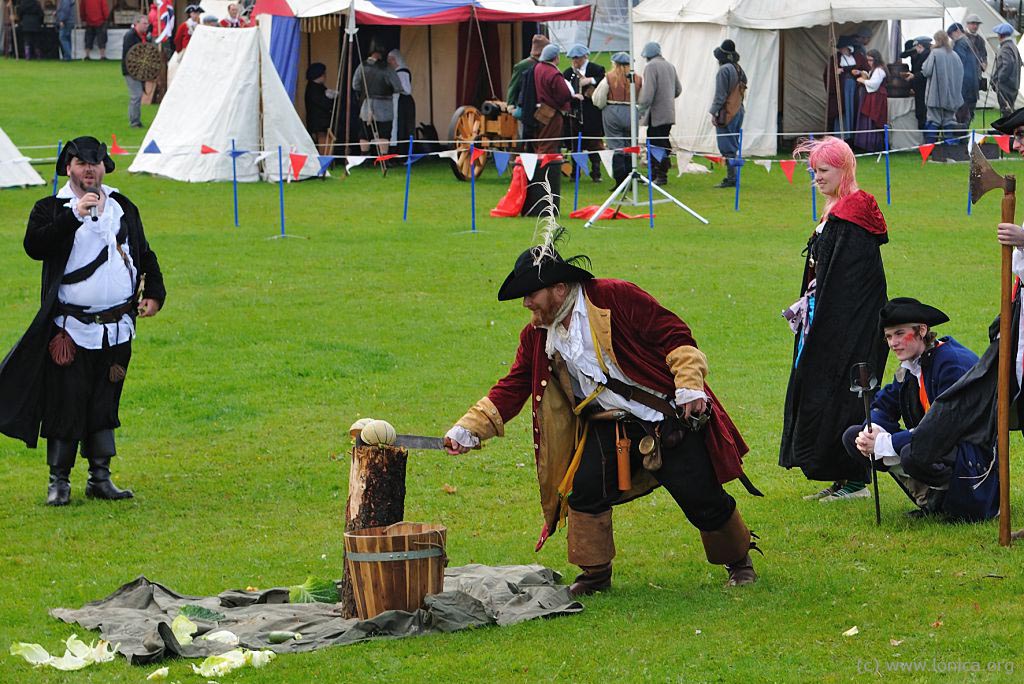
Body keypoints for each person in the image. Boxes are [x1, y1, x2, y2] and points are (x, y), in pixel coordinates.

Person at [442, 237, 761, 594]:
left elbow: (674, 334)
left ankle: (739, 561)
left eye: (533, 293)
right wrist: (469, 428)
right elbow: (514, 385)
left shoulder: (614, 297)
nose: (526, 302)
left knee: (701, 496)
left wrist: (688, 384)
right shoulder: (537, 335)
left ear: (560, 288)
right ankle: (595, 575)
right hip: (607, 425)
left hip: (662, 417)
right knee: (584, 492)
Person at [0, 136, 166, 506]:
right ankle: (59, 481)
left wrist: (154, 292)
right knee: (66, 402)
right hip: (70, 331)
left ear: (105, 167)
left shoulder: (123, 207)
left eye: (96, 163)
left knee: (104, 401)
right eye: (81, 163)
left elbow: (144, 252)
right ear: (69, 168)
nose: (90, 169)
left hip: (118, 328)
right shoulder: (50, 208)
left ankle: (100, 478)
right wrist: (73, 215)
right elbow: (35, 246)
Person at [779, 136, 889, 502]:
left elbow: (850, 284)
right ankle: (840, 477)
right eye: (814, 172)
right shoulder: (839, 209)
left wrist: (827, 324)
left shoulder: (853, 216)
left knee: (844, 395)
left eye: (823, 171)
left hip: (849, 328)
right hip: (827, 320)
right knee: (821, 392)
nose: (817, 178)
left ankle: (854, 479)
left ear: (843, 169)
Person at [841, 298, 998, 522]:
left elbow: (944, 428)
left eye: (899, 333)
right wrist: (872, 430)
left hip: (973, 456)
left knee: (913, 453)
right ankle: (931, 501)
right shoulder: (913, 363)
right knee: (855, 437)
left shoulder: (951, 363)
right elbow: (883, 405)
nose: (893, 342)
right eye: (888, 336)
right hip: (936, 442)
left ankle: (960, 505)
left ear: (922, 330)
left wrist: (886, 443)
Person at [592, 51, 641, 188]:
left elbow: (598, 98)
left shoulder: (609, 77)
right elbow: (643, 98)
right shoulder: (637, 78)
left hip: (613, 111)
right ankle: (630, 179)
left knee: (616, 147)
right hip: (631, 111)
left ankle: (620, 181)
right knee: (630, 146)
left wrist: (604, 107)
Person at [637, 41, 681, 185]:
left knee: (656, 145)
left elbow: (648, 93)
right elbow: (678, 90)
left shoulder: (650, 67)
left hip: (656, 114)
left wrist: (641, 108)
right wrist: (666, 99)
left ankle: (660, 176)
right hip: (668, 112)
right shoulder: (670, 66)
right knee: (660, 143)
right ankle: (655, 174)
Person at [563, 44, 606, 183]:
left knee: (595, 143)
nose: (575, 61)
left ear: (584, 57)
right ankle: (575, 173)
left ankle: (596, 173)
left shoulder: (596, 69)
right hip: (574, 114)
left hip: (591, 114)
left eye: (577, 58)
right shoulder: (568, 72)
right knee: (576, 145)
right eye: (573, 59)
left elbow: (604, 82)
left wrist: (591, 80)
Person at [352, 45, 403, 156]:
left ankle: (364, 158)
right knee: (383, 133)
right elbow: (398, 87)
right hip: (384, 106)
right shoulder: (387, 68)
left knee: (365, 133)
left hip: (367, 104)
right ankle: (383, 159)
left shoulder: (362, 66)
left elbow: (355, 85)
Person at [710, 39, 746, 188]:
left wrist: (714, 112)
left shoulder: (724, 70)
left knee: (727, 146)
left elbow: (720, 95)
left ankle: (732, 178)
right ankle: (733, 177)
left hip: (727, 112)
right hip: (738, 109)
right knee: (733, 145)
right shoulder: (738, 68)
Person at [532, 44, 577, 156]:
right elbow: (564, 93)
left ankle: (541, 170)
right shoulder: (553, 73)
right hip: (552, 112)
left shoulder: (538, 67)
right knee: (548, 146)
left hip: (541, 110)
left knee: (542, 143)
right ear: (556, 57)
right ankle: (545, 171)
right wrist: (570, 99)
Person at [920, 31, 963, 144]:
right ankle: (951, 147)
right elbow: (961, 74)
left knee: (933, 121)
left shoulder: (935, 53)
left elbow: (926, 71)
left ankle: (930, 148)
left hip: (935, 96)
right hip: (952, 97)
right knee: (949, 121)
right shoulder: (955, 55)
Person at [507, 34, 549, 152]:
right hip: (525, 104)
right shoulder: (523, 65)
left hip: (540, 106)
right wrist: (510, 104)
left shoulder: (545, 65)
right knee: (528, 136)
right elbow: (513, 86)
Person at [853, 49, 887, 152]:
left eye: (871, 60)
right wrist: (862, 73)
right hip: (873, 96)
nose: (869, 62)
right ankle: (866, 144)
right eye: (867, 60)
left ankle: (873, 145)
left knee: (874, 119)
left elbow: (874, 84)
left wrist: (862, 80)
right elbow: (872, 78)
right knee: (868, 118)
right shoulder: (875, 69)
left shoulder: (879, 70)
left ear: (876, 59)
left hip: (877, 97)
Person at [825, 37, 859, 139]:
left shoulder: (857, 58)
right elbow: (827, 74)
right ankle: (841, 136)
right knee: (842, 111)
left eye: (843, 48)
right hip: (841, 89)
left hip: (854, 89)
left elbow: (865, 71)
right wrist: (835, 73)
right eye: (840, 48)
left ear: (849, 48)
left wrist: (859, 72)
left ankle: (853, 138)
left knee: (853, 110)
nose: (841, 50)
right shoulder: (835, 59)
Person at [949, 23, 980, 131]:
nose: (951, 38)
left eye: (951, 35)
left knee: (961, 114)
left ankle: (961, 139)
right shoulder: (969, 41)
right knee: (968, 114)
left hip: (964, 85)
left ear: (957, 31)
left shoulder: (960, 44)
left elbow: (959, 64)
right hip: (973, 83)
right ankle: (964, 135)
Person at [121, 15, 150, 129]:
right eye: (144, 23)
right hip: (131, 71)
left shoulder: (142, 36)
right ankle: (134, 122)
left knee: (137, 96)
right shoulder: (130, 36)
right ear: (137, 23)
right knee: (136, 96)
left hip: (138, 71)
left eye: (147, 23)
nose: (147, 26)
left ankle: (136, 120)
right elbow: (131, 55)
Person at [304, 62, 337, 155]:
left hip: (322, 121)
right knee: (323, 141)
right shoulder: (313, 89)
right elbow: (323, 103)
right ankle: (324, 158)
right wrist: (330, 98)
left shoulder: (318, 87)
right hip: (318, 122)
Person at [387, 49, 415, 155]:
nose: (389, 62)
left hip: (404, 103)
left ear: (395, 60)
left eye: (391, 60)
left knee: (403, 127)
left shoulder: (402, 72)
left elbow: (406, 89)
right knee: (399, 127)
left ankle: (403, 152)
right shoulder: (397, 72)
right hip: (400, 102)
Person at [902, 36, 932, 131]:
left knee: (923, 113)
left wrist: (914, 76)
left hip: (924, 88)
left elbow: (925, 72)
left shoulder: (926, 56)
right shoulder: (920, 56)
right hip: (919, 87)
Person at [991, 23, 1021, 118]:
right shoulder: (1013, 46)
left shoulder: (1005, 47)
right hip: (1013, 84)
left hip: (1006, 85)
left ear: (1001, 35)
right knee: (1009, 109)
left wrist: (999, 80)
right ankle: (1006, 130)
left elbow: (1007, 65)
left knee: (1006, 110)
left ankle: (1007, 131)